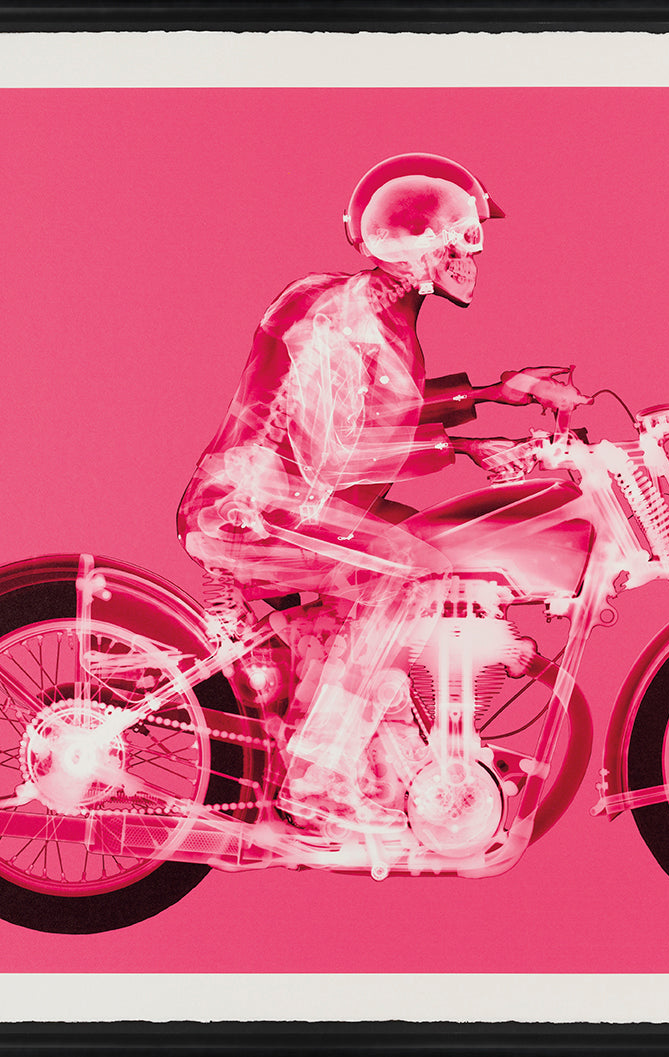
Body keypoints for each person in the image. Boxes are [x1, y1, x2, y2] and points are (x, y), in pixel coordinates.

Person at [177, 153, 581, 832]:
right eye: (463, 236)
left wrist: (496, 392)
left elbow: (383, 412)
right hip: (255, 511)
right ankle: (317, 777)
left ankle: (313, 680)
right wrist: (467, 448)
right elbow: (339, 452)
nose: (473, 254)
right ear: (416, 243)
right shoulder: (346, 318)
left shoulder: (379, 312)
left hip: (293, 504)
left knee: (436, 556)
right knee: (412, 574)